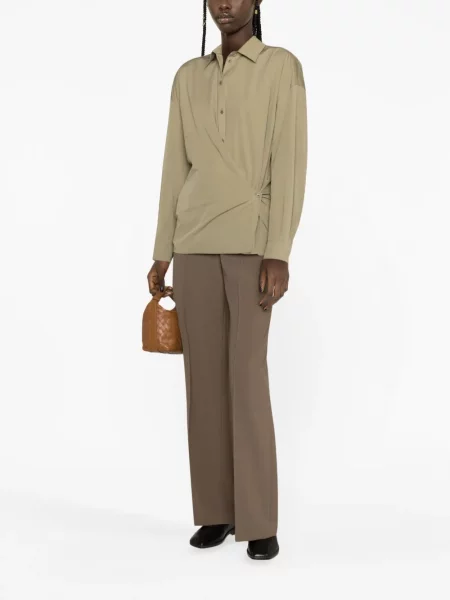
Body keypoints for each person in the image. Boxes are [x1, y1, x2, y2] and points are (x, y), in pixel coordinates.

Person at [147, 0, 307, 561]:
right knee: (203, 384)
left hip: (252, 245)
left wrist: (278, 251)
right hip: (192, 244)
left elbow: (289, 161)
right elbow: (174, 166)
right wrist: (162, 251)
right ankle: (215, 512)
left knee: (247, 377)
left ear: (257, 1)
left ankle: (259, 520)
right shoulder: (187, 77)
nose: (224, 4)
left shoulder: (281, 67)